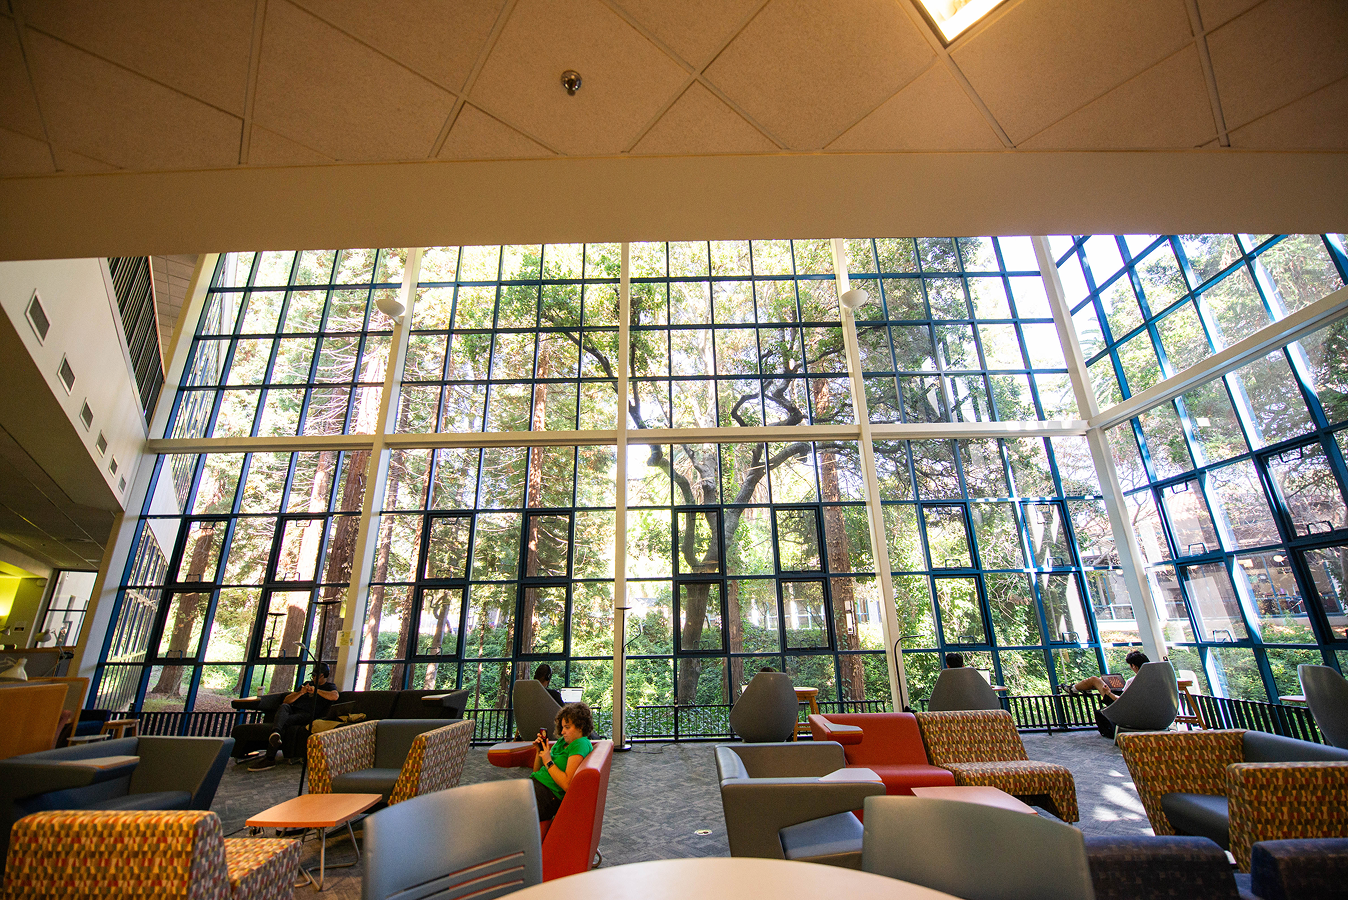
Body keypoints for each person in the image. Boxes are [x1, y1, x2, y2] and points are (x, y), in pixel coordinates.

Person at [248, 663, 339, 771]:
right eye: (312, 676)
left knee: (285, 722)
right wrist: (300, 693)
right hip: (293, 709)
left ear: (322, 675)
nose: (313, 678)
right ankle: (275, 733)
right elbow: (286, 700)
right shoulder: (306, 684)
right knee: (284, 707)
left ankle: (270, 757)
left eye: (315, 676)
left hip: (307, 714)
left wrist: (316, 690)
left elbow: (335, 696)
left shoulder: (329, 686)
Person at [530, 702, 595, 821]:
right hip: (535, 787)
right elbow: (537, 772)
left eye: (567, 727)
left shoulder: (580, 744)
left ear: (580, 727)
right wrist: (539, 752)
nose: (562, 732)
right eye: (563, 727)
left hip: (547, 796)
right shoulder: (562, 742)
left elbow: (567, 785)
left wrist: (548, 760)